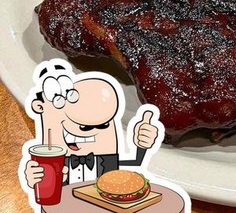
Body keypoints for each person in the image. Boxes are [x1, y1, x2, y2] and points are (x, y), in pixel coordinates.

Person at [24, 61, 159, 187]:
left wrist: (142, 146)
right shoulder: (54, 162)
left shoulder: (106, 160)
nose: (88, 128)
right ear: (39, 107)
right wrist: (33, 178)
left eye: (103, 125)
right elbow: (44, 185)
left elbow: (135, 164)